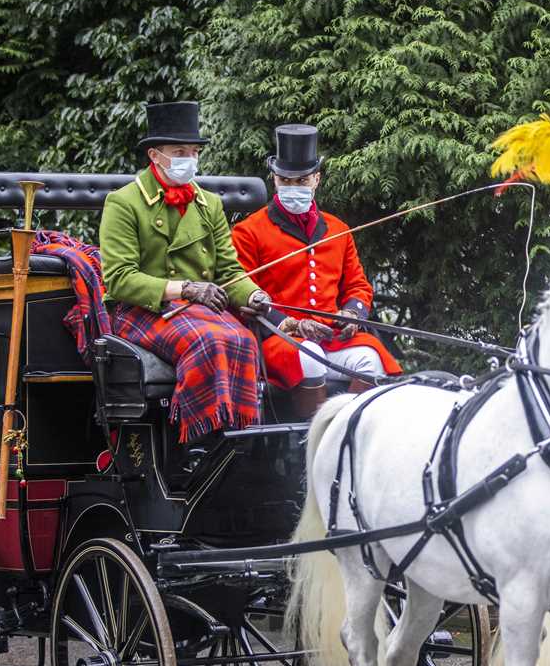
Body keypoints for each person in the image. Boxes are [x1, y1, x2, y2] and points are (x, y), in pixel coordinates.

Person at [99, 101, 270, 443]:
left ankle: (239, 437)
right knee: (207, 340)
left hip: (196, 308)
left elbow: (228, 269)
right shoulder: (124, 203)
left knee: (243, 338)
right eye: (179, 151)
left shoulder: (209, 204)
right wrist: (185, 289)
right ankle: (194, 438)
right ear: (154, 155)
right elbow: (118, 278)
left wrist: (253, 294)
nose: (189, 160)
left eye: (193, 152)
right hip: (142, 309)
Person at [231, 124, 400, 417]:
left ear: (316, 180)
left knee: (371, 359)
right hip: (278, 340)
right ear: (274, 180)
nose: (293, 187)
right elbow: (242, 294)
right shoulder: (249, 231)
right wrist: (292, 325)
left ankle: (345, 432)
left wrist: (352, 314)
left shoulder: (338, 230)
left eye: (302, 180)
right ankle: (310, 443)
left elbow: (358, 286)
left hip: (332, 336)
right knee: (311, 358)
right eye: (285, 180)